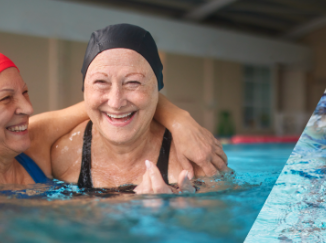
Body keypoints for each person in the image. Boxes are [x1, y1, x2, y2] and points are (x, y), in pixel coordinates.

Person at [0, 47, 220, 193]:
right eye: (6, 98)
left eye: (25, 92)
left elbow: (107, 103)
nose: (27, 107)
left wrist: (180, 120)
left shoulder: (33, 142)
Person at [50, 24, 225, 194]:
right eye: (101, 82)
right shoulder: (62, 156)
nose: (116, 102)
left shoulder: (192, 159)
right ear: (85, 90)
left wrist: (184, 213)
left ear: (157, 90)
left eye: (133, 82)